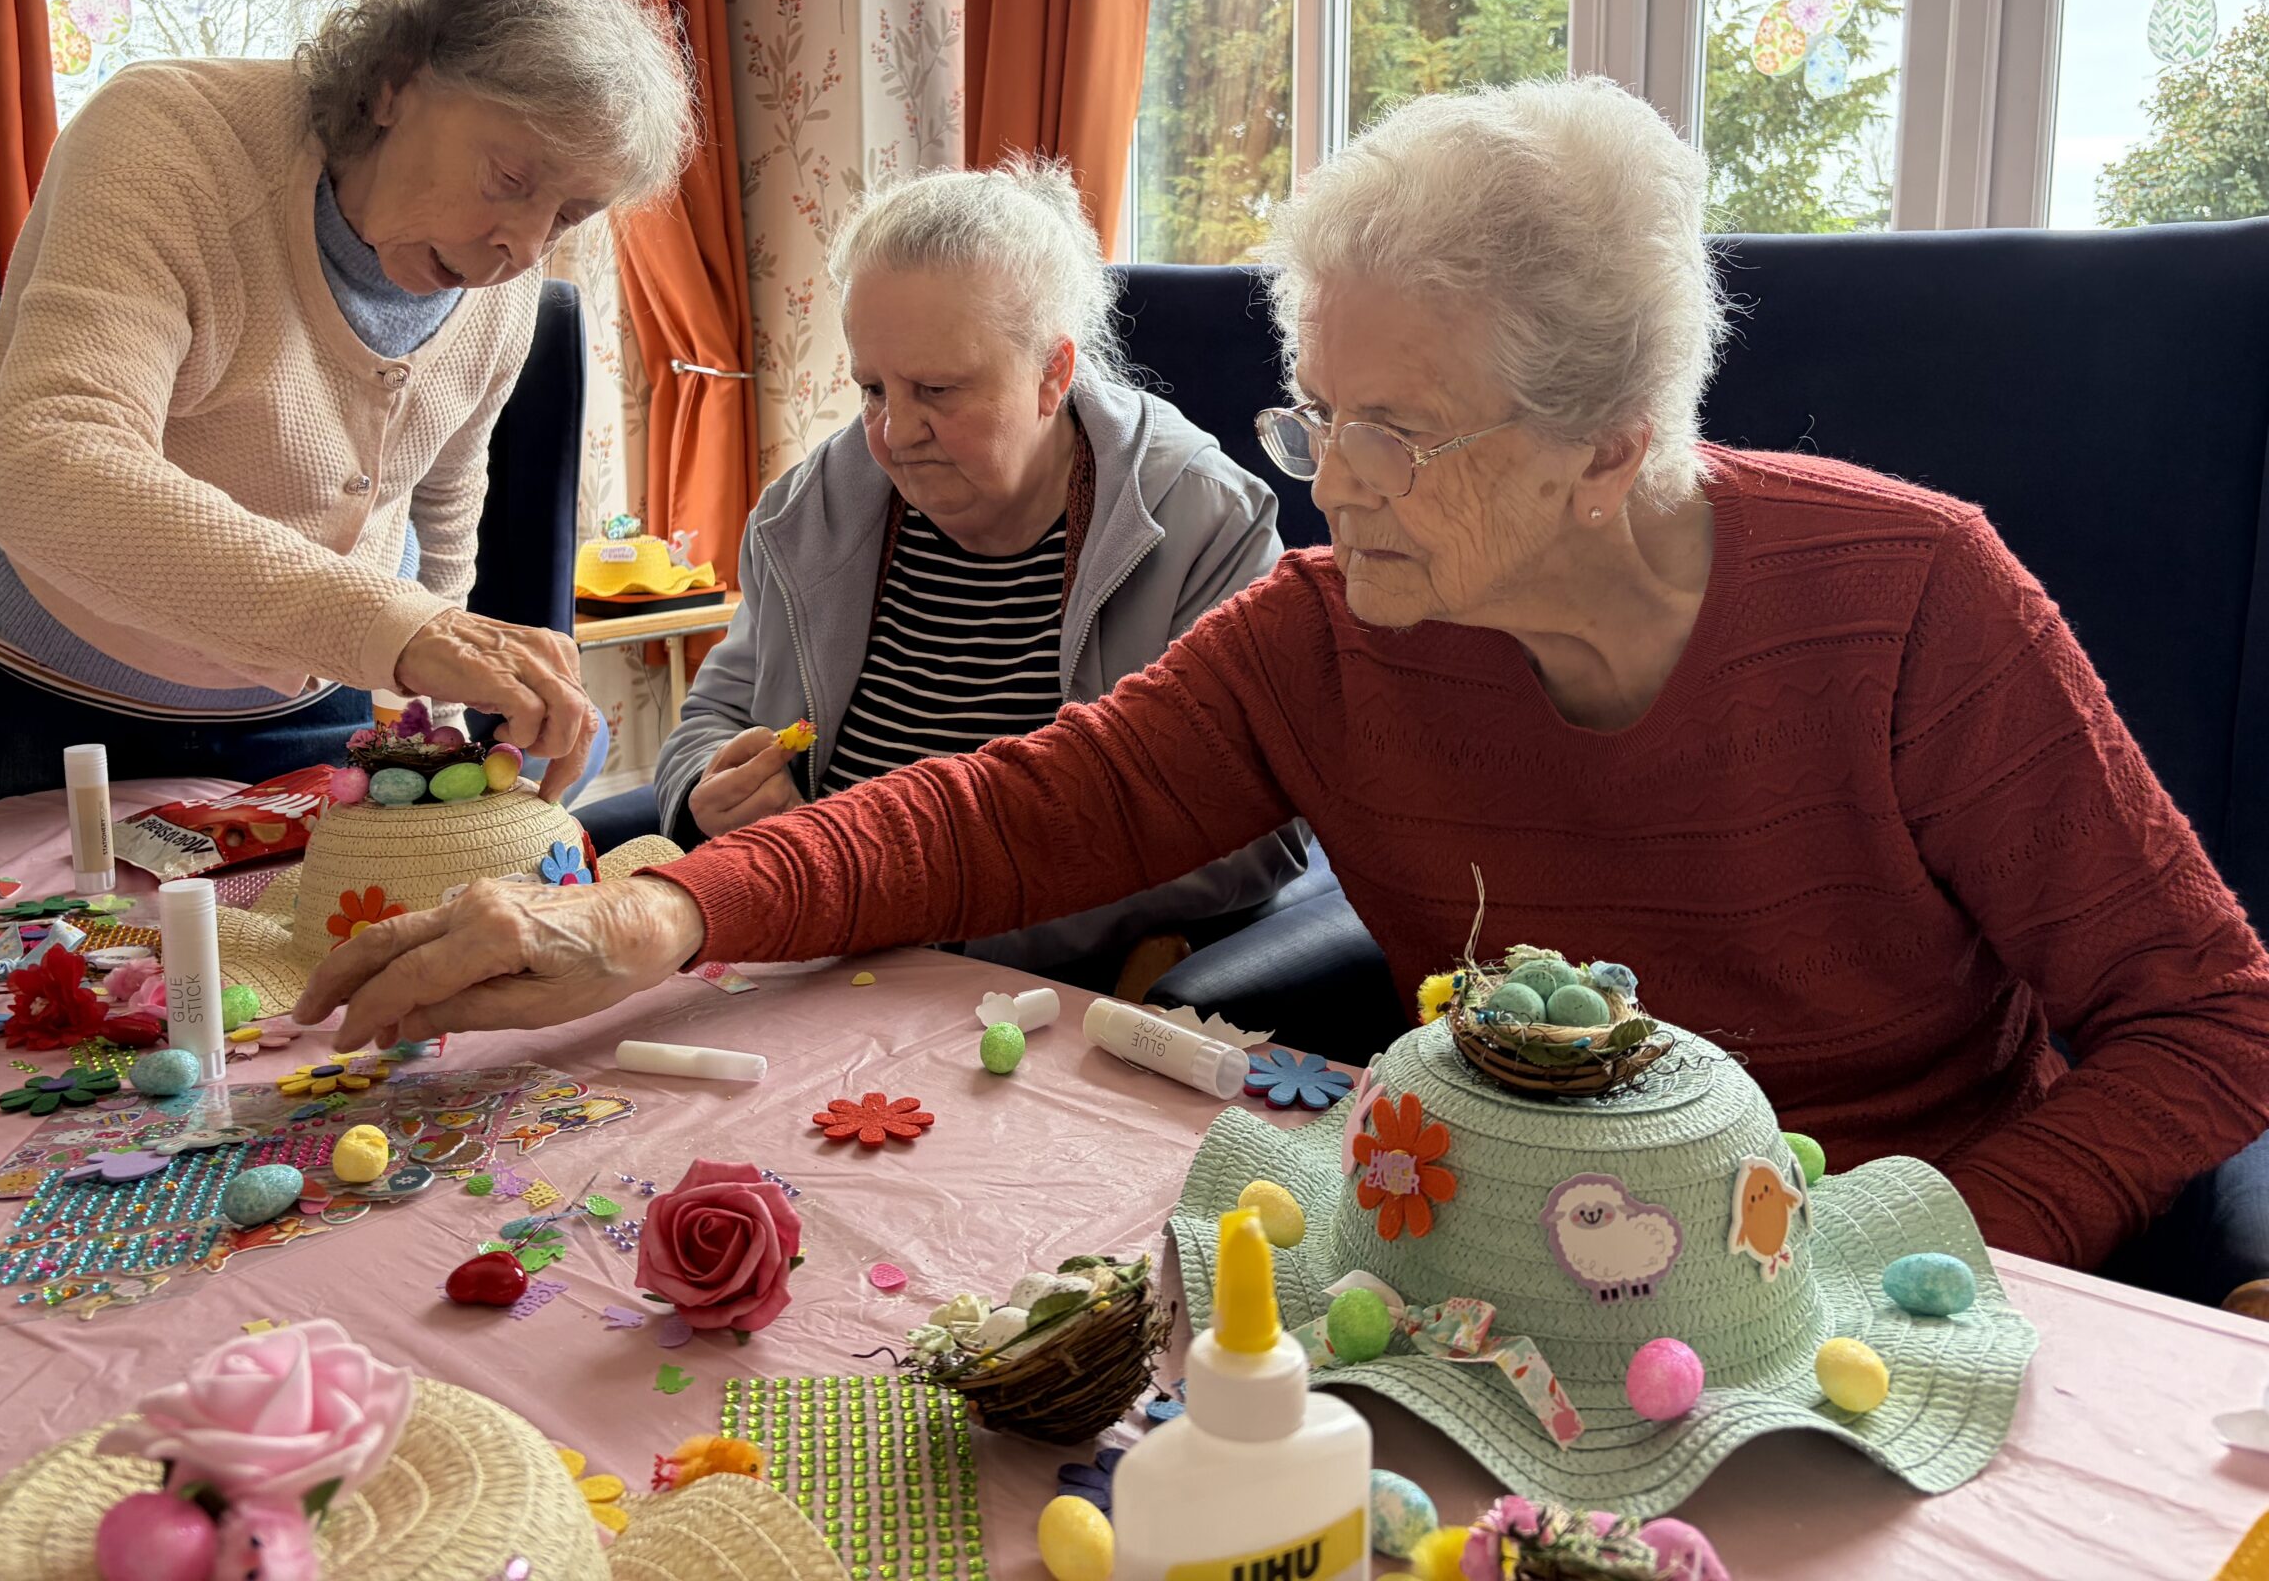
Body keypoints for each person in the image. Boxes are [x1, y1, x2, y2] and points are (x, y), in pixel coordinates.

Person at [298, 76, 2269, 1275]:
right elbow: (1016, 807)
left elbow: (2206, 1016)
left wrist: (1902, 1250)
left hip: (1867, 1275)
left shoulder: (1905, 598)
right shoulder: (1338, 628)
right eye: (1316, 414)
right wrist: (657, 914)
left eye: (1393, 433)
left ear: (1611, 442)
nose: (1329, 489)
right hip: (1511, 1261)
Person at [0, 0, 693, 813]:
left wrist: (444, 709)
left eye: (570, 213)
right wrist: (403, 630)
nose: (525, 247)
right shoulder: (166, 139)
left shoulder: (505, 285)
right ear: (393, 80)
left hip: (309, 697)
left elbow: (444, 494)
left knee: (308, 945)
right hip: (31, 689)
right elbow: (52, 465)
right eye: (509, 178)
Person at [650, 159, 1303, 982]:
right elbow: (714, 712)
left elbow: (1253, 833)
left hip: (1029, 987)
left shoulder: (1206, 522)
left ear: (1052, 375)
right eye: (874, 389)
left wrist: (964, 922)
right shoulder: (809, 512)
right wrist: (708, 788)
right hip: (806, 957)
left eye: (937, 389)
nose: (894, 434)